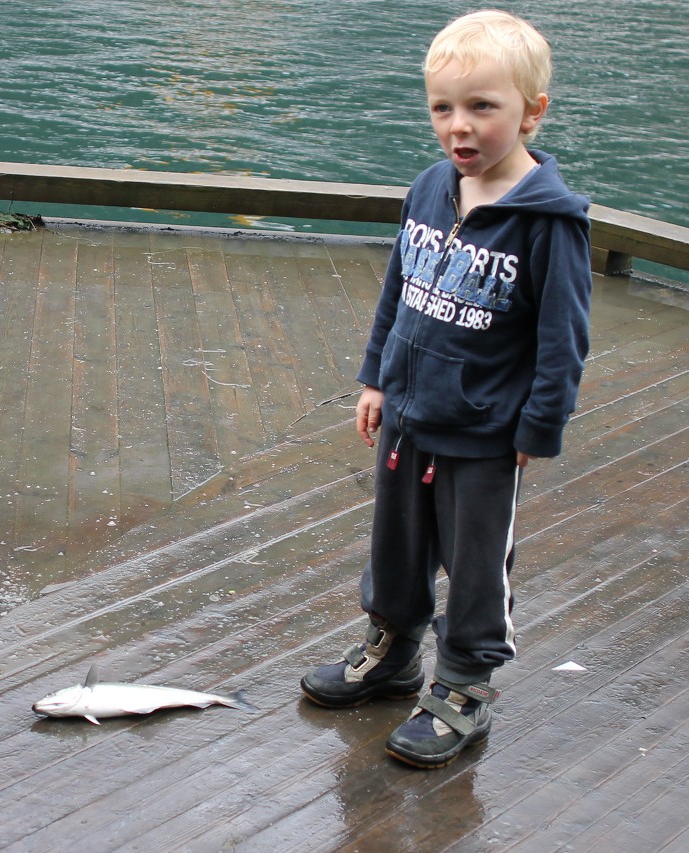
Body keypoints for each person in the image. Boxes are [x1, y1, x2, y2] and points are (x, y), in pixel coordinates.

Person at [299, 10, 591, 769]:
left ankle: (464, 684)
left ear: (532, 111)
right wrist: (376, 378)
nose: (459, 128)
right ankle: (393, 650)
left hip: (486, 433)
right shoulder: (432, 188)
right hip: (408, 413)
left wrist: (538, 428)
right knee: (395, 546)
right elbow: (400, 287)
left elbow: (564, 337)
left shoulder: (548, 223)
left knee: (475, 565)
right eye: (443, 108)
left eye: (483, 107)